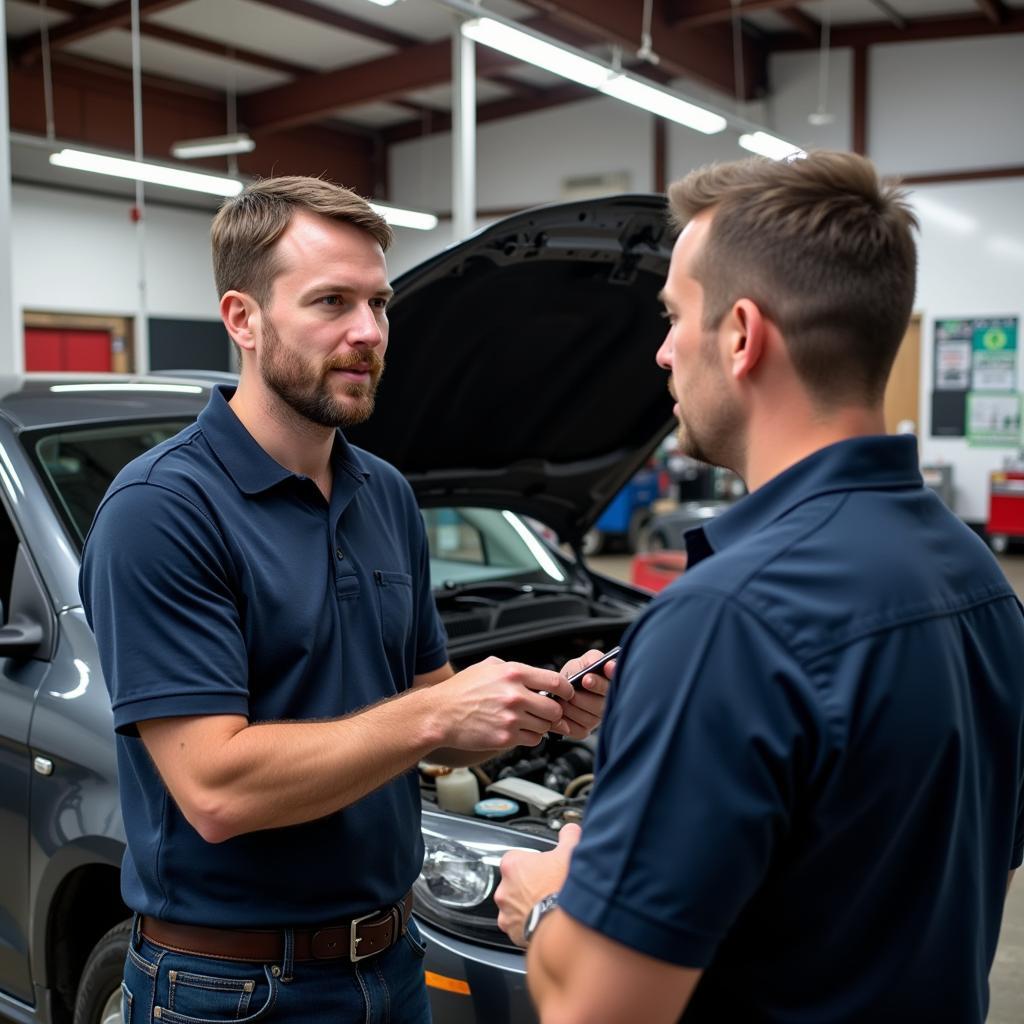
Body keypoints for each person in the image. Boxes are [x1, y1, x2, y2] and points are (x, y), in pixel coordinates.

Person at [495, 150, 1024, 1023]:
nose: (662, 352)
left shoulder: (726, 619)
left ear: (741, 335)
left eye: (673, 316)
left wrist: (546, 899)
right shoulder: (977, 577)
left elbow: (596, 1009)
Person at [79, 176, 612, 1022]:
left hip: (395, 961)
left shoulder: (385, 493)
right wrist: (434, 719)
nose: (368, 333)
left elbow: (428, 718)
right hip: (232, 990)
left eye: (379, 302)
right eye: (331, 301)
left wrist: (529, 705)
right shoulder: (161, 512)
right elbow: (215, 791)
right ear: (242, 319)